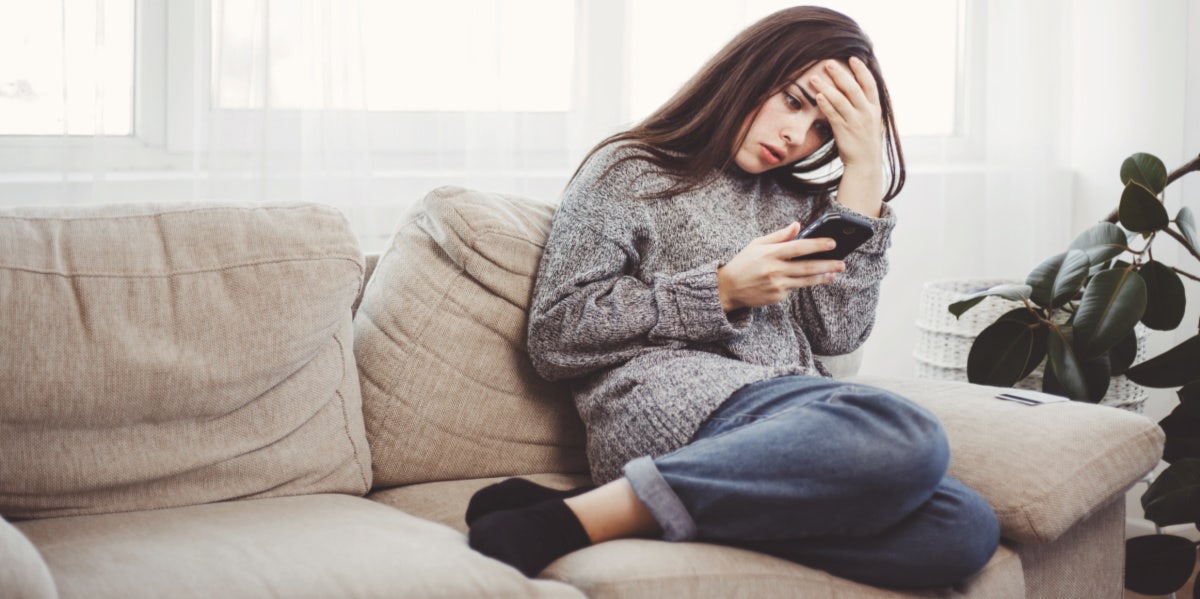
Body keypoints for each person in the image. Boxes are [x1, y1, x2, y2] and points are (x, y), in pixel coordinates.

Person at [465, 5, 999, 590]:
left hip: (784, 417)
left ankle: (642, 506)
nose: (798, 136)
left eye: (824, 128)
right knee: (904, 432)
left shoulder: (798, 202)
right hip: (673, 403)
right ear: (749, 71)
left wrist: (864, 174)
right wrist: (721, 290)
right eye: (794, 101)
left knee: (963, 528)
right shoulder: (630, 169)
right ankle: (580, 517)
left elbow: (836, 337)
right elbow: (556, 335)